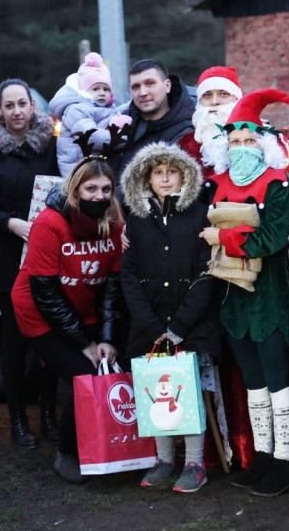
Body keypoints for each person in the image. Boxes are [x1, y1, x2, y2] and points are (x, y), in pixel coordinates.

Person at [200, 89, 289, 497]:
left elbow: (274, 237)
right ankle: (262, 456)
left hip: (270, 295)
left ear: (264, 142)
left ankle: (284, 462)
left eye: (249, 140)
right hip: (233, 298)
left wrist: (222, 236)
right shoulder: (217, 184)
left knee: (278, 381)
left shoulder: (278, 184)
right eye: (235, 141)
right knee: (253, 383)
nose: (242, 147)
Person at [11, 159, 123, 484]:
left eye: (106, 189)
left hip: (83, 307)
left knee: (111, 366)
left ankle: (110, 447)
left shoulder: (114, 222)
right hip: (38, 311)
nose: (99, 196)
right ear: (75, 190)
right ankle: (67, 453)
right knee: (84, 376)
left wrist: (105, 338)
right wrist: (85, 343)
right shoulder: (51, 222)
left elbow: (111, 287)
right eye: (91, 189)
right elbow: (45, 293)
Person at [119, 143, 219, 493]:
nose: (164, 178)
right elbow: (128, 277)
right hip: (149, 325)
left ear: (184, 175)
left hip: (189, 327)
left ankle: (194, 461)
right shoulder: (137, 220)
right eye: (157, 172)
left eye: (171, 171)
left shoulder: (200, 215)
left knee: (185, 390)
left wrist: (178, 327)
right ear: (146, 178)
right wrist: (150, 324)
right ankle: (163, 459)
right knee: (154, 391)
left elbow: (207, 274)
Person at [0, 78, 61, 448]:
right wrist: (11, 223)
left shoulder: (50, 145)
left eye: (22, 103)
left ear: (32, 106)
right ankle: (19, 420)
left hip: (48, 254)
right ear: (0, 111)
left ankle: (50, 418)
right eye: (9, 106)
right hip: (9, 255)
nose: (17, 111)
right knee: (15, 340)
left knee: (51, 338)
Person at [49, 52, 132, 177]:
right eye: (95, 89)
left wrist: (135, 102)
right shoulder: (77, 110)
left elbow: (117, 111)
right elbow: (94, 137)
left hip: (93, 168)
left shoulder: (104, 108)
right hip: (78, 171)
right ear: (84, 92)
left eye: (106, 89)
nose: (102, 93)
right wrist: (127, 138)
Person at [112, 59, 195, 177]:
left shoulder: (186, 134)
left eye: (150, 84)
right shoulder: (121, 124)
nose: (142, 92)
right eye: (136, 87)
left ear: (167, 86)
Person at [182, 66, 243, 179]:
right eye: (207, 95)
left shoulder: (262, 140)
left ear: (237, 99)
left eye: (223, 94)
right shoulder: (185, 146)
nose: (214, 102)